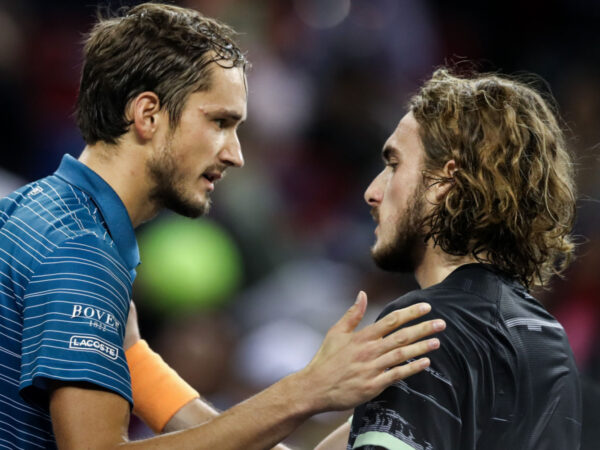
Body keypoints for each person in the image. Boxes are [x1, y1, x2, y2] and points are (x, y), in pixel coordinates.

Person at [0, 3, 446, 449]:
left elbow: (169, 402)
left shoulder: (37, 211)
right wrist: (306, 390)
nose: (235, 153)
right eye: (219, 122)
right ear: (147, 114)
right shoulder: (81, 251)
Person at [315, 69, 582, 449]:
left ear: (444, 181)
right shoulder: (549, 340)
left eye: (394, 165)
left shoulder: (422, 328)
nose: (372, 193)